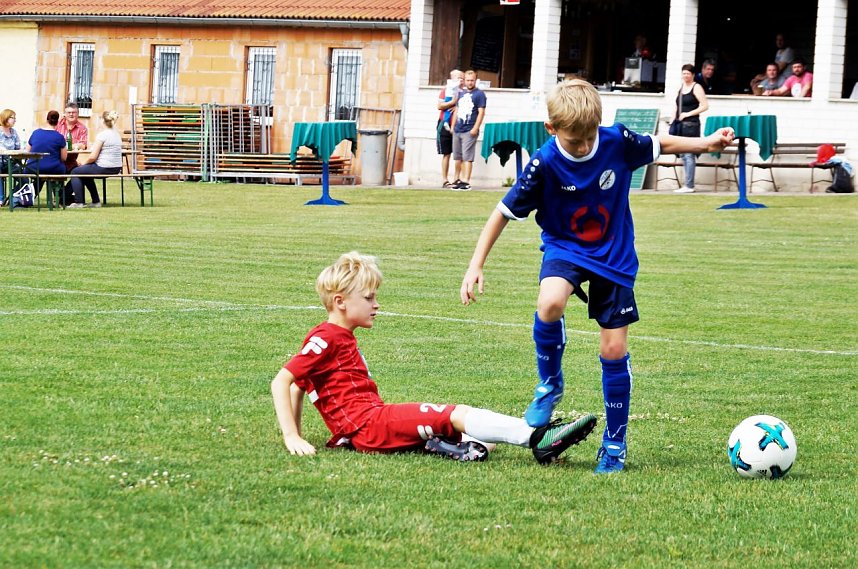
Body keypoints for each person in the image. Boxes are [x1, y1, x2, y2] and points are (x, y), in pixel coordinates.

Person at [459, 79, 734, 473]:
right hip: (566, 247)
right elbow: (502, 212)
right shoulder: (543, 163)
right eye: (575, 141)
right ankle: (550, 385)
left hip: (614, 256)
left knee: (612, 351)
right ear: (551, 130)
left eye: (590, 137)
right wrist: (475, 264)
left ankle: (615, 444)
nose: (585, 147)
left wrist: (706, 144)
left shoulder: (615, 141)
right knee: (550, 302)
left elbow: (660, 145)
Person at [271, 251, 598, 464]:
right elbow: (282, 381)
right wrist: (292, 436)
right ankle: (539, 439)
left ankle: (449, 445)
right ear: (340, 301)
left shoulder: (335, 337)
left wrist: (301, 431)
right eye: (368, 297)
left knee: (476, 437)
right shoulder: (325, 338)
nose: (376, 304)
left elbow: (300, 386)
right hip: (369, 424)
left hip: (368, 425)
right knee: (454, 412)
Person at [68, 110, 123, 208]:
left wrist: (84, 163)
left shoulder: (102, 135)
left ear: (102, 121)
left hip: (104, 167)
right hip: (116, 167)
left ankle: (79, 202)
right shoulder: (117, 134)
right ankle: (95, 201)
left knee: (75, 171)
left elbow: (93, 157)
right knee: (85, 173)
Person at [673, 64, 709, 193]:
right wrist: (673, 119)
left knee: (689, 154)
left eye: (688, 73)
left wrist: (688, 114)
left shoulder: (697, 87)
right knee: (683, 154)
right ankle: (686, 184)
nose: (686, 76)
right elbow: (677, 106)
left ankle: (689, 185)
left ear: (693, 75)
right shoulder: (681, 88)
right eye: (684, 73)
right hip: (681, 125)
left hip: (692, 125)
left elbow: (705, 105)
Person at [449, 70, 487, 191]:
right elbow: (457, 110)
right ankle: (456, 179)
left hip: (469, 129)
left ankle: (466, 180)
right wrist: (452, 126)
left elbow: (481, 112)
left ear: (475, 80)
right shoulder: (460, 93)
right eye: (468, 80)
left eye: (472, 80)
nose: (470, 82)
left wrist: (476, 127)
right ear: (464, 80)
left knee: (467, 157)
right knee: (457, 156)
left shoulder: (479, 94)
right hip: (458, 129)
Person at [24, 110, 68, 197]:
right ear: (57, 122)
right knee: (60, 169)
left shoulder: (36, 133)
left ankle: (29, 196)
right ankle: (59, 197)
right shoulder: (59, 137)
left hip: (34, 167)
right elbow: (64, 158)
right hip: (53, 168)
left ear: (47, 120)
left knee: (39, 176)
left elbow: (27, 152)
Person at [55, 102, 89, 204]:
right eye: (68, 112)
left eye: (74, 112)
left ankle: (63, 197)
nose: (71, 114)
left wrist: (75, 146)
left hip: (71, 162)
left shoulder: (82, 128)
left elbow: (83, 145)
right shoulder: (58, 125)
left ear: (78, 114)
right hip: (58, 161)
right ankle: (63, 198)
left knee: (82, 173)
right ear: (64, 114)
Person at [436, 69, 464, 188]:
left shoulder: (465, 92)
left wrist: (458, 108)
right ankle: (444, 179)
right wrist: (452, 103)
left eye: (462, 78)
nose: (461, 80)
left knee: (459, 154)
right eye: (459, 78)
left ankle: (457, 178)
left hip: (459, 124)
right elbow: (439, 105)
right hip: (444, 123)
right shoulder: (445, 91)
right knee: (446, 153)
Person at [0, 108, 22, 205]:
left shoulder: (14, 132)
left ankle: (11, 197)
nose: (15, 120)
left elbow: (18, 147)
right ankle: (0, 199)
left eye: (14, 118)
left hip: (11, 162)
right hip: (0, 162)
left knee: (24, 177)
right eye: (12, 118)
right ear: (5, 118)